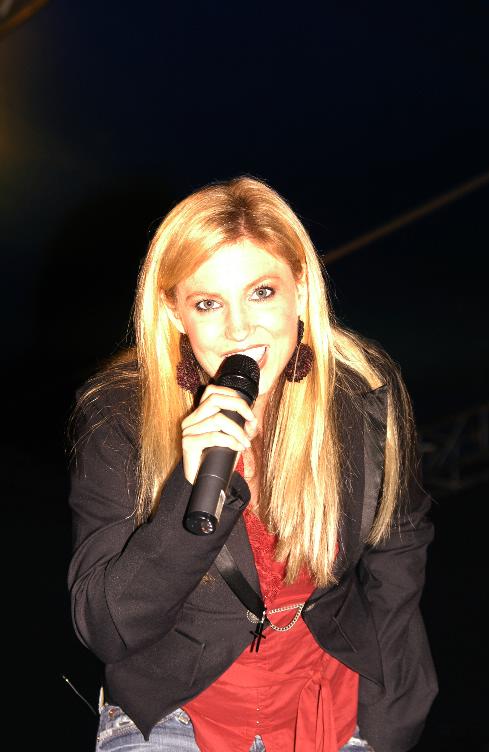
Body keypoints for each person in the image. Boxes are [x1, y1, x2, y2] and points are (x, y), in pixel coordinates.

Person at [67, 176, 437, 752]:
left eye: (261, 292)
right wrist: (188, 486)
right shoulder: (119, 414)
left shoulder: (362, 394)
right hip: (175, 711)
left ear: (301, 290)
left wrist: (392, 712)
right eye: (208, 304)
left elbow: (400, 545)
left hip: (327, 706)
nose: (239, 329)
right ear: (174, 314)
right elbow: (107, 627)